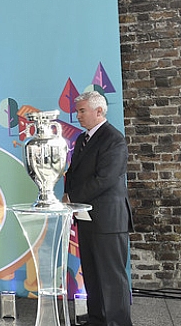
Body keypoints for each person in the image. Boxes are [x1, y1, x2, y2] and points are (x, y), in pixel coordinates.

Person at [64, 91, 133, 326]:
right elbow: (74, 174)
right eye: (78, 111)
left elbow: (104, 179)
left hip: (108, 219)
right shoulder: (83, 139)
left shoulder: (114, 139)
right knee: (92, 274)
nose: (78, 115)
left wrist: (70, 197)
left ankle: (117, 322)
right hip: (86, 217)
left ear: (99, 111)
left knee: (111, 277)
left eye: (82, 111)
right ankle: (97, 319)